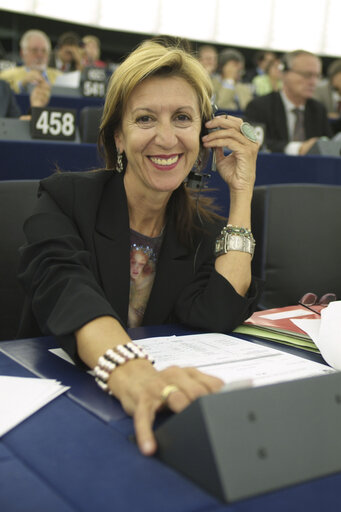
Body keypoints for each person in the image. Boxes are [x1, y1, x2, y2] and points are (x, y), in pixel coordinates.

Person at [18, 40, 261, 456]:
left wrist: (241, 193)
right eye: (145, 118)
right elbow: (69, 291)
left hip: (158, 414)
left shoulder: (203, 230)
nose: (166, 138)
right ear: (118, 136)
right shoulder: (66, 198)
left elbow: (218, 312)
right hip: (55, 405)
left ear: (203, 135)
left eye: (182, 118)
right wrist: (132, 372)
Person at [244, 50, 333, 154]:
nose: (313, 82)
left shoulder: (318, 110)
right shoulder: (260, 106)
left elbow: (328, 145)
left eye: (317, 76)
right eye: (307, 75)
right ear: (284, 73)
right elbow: (254, 142)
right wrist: (297, 148)